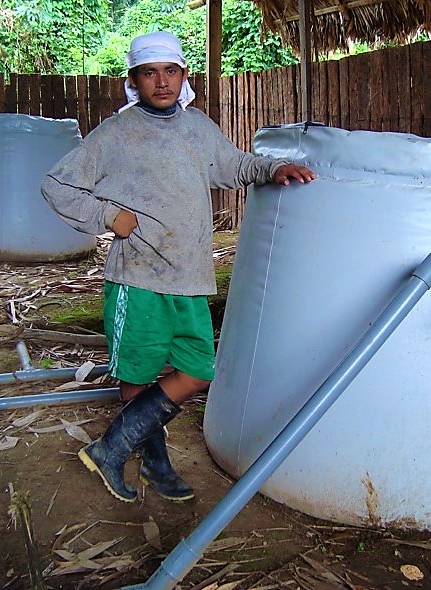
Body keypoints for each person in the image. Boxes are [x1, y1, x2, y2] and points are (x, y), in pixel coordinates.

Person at [41, 31, 315, 504]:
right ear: (134, 81)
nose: (161, 82)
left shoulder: (198, 127)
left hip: (191, 278)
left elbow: (233, 164)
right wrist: (108, 217)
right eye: (149, 73)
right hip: (139, 278)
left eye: (170, 71)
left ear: (184, 76)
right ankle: (154, 461)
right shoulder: (116, 134)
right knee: (136, 375)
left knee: (198, 371)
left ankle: (111, 448)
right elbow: (57, 186)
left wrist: (272, 169)